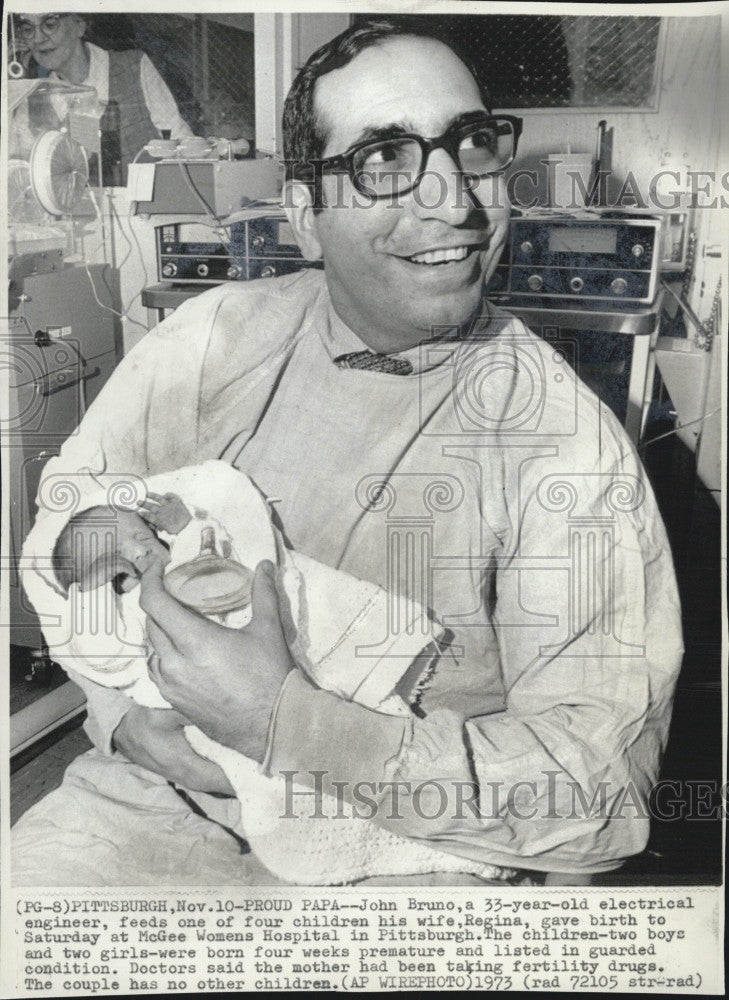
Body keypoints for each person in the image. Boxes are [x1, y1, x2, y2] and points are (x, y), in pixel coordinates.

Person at [13, 20, 683, 887]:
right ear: (304, 216)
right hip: (144, 802)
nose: (456, 203)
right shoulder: (212, 336)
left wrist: (284, 725)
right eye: (385, 161)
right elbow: (70, 522)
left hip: (403, 857)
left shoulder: (563, 445)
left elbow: (599, 795)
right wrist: (116, 715)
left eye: (471, 146)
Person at [14, 11, 191, 180]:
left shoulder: (134, 67)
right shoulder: (33, 99)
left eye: (50, 24)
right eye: (28, 29)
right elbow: (18, 168)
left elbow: (179, 138)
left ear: (79, 26)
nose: (38, 39)